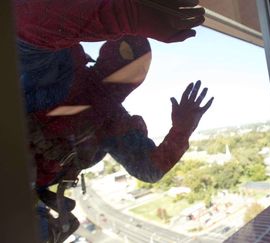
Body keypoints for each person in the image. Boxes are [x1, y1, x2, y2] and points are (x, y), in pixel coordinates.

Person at [14, 0, 212, 241]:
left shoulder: (110, 120)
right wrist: (126, 15)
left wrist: (181, 130)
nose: (130, 69)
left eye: (136, 64)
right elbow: (22, 25)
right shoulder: (65, 67)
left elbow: (149, 169)